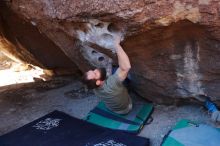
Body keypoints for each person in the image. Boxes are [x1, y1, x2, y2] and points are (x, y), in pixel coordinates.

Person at [82, 37, 132, 115]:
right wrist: (117, 46)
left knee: (113, 74)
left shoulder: (94, 87)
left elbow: (104, 76)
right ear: (98, 82)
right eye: (95, 74)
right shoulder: (112, 84)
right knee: (123, 73)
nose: (96, 70)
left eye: (93, 70)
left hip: (113, 108)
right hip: (127, 107)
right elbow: (126, 67)